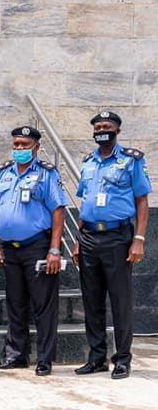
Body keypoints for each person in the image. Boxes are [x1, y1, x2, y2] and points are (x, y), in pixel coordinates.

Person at [73, 111, 151, 380]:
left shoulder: (131, 160)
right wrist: (76, 240)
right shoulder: (88, 162)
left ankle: (122, 359)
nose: (101, 130)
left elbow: (142, 201)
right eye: (97, 127)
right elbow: (86, 203)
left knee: (120, 301)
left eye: (106, 126)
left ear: (117, 130)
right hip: (90, 237)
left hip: (118, 238)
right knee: (91, 301)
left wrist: (138, 240)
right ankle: (96, 358)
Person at [0, 126, 67, 377]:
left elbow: (58, 212)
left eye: (24, 145)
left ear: (36, 146)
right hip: (9, 250)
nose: (19, 149)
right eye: (16, 145)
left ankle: (44, 358)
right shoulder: (4, 174)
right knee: (15, 304)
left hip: (37, 247)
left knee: (43, 305)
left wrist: (55, 249)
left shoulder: (46, 175)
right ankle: (16, 354)